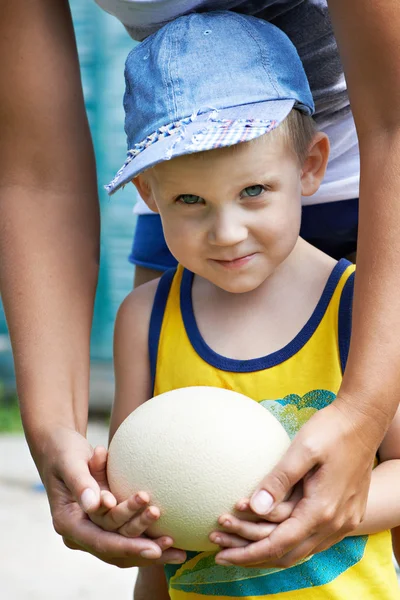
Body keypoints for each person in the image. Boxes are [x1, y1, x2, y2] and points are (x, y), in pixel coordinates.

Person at [2, 0, 400, 571]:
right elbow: (35, 174)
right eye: (191, 203)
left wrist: (362, 426)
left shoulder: (350, 296)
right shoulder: (146, 320)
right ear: (148, 196)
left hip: (365, 168)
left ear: (310, 165)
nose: (228, 233)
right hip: (179, 148)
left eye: (249, 199)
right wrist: (53, 429)